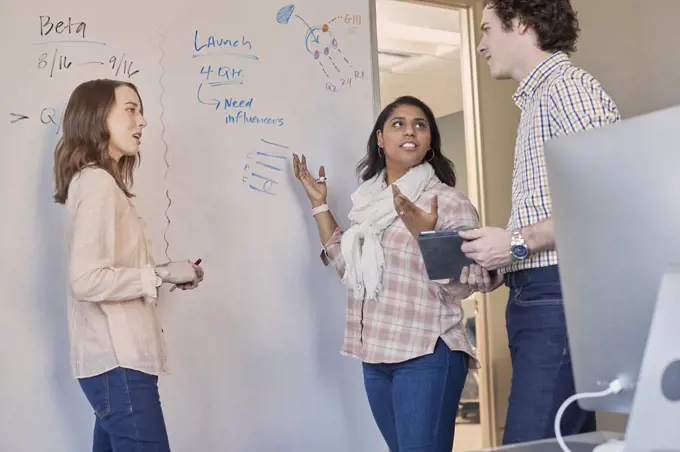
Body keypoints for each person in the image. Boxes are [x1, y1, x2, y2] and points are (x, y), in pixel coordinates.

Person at [457, 0, 621, 445]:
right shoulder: (538, 100)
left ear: (523, 24)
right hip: (539, 291)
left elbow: (607, 200)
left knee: (532, 444)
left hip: (559, 294)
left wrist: (513, 243)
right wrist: (504, 262)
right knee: (561, 443)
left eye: (488, 29)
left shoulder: (567, 90)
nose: (480, 44)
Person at [293, 95, 479, 452]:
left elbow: (472, 281)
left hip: (428, 352)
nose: (410, 131)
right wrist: (319, 204)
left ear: (429, 142)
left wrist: (427, 237)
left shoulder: (446, 201)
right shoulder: (368, 202)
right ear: (380, 138)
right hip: (376, 353)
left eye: (420, 125)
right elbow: (349, 267)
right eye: (399, 123)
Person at [53, 78, 205, 451]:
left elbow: (107, 270)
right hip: (117, 364)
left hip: (115, 365)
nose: (142, 122)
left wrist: (168, 271)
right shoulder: (97, 184)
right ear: (98, 116)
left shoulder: (101, 183)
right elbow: (86, 280)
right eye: (131, 110)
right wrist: (161, 274)